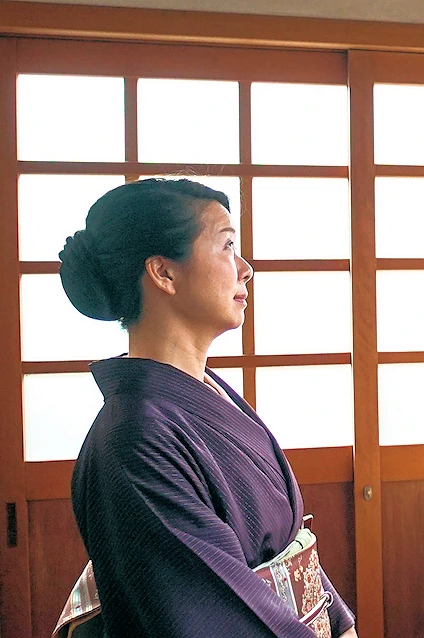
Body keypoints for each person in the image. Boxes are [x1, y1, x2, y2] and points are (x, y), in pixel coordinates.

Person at [58, 178, 357, 637]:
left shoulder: (208, 394)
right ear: (164, 273)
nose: (246, 268)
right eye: (226, 246)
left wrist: (339, 623)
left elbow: (294, 553)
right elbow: (207, 614)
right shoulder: (135, 439)